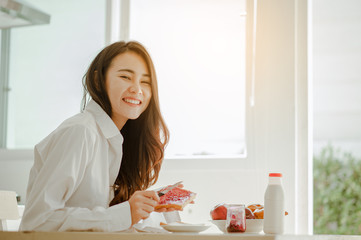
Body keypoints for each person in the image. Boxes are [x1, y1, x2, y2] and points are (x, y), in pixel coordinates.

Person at [19, 41, 171, 232]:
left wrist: (146, 210)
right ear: (99, 80)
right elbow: (37, 222)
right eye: (125, 77)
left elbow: (103, 220)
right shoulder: (80, 132)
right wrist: (125, 214)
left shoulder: (116, 141)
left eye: (145, 82)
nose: (137, 88)